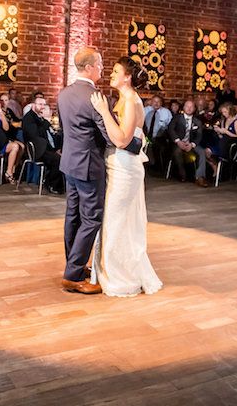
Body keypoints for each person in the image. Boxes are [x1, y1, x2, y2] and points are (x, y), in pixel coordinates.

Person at [57, 47, 142, 295]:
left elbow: (65, 129)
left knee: (72, 216)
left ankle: (73, 264)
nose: (103, 69)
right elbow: (111, 138)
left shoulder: (64, 94)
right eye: (101, 64)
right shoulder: (95, 98)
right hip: (88, 166)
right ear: (90, 67)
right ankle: (73, 275)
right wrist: (138, 144)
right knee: (91, 218)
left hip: (69, 163)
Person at [88, 57, 163, 297]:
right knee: (115, 220)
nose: (111, 74)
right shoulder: (123, 99)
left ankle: (119, 277)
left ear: (127, 77)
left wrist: (102, 111)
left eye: (116, 71)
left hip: (125, 168)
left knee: (115, 221)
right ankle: (108, 269)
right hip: (115, 164)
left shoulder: (131, 101)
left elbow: (122, 140)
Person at [22, 95, 65, 194]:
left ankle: (59, 184)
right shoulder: (29, 118)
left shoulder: (41, 119)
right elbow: (35, 135)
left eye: (44, 104)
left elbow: (51, 135)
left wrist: (57, 148)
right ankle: (51, 184)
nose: (42, 107)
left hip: (47, 148)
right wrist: (46, 121)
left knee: (64, 156)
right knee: (57, 160)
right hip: (37, 150)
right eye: (40, 104)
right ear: (33, 105)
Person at [167, 99, 207, 186]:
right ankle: (182, 174)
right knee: (177, 151)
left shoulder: (198, 121)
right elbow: (170, 129)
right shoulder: (177, 118)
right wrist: (178, 141)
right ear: (184, 108)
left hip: (191, 143)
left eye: (191, 107)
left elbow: (199, 135)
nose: (189, 108)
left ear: (194, 109)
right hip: (178, 142)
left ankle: (200, 177)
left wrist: (192, 144)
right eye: (187, 106)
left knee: (202, 152)